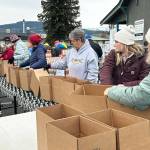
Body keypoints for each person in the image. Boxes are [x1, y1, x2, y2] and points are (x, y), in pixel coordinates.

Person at [104, 28, 150, 111]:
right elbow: (105, 69)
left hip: (132, 101)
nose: (114, 45)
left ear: (124, 43)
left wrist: (124, 86)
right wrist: (108, 87)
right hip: (113, 97)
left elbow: (144, 81)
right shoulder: (113, 54)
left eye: (116, 42)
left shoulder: (143, 57)